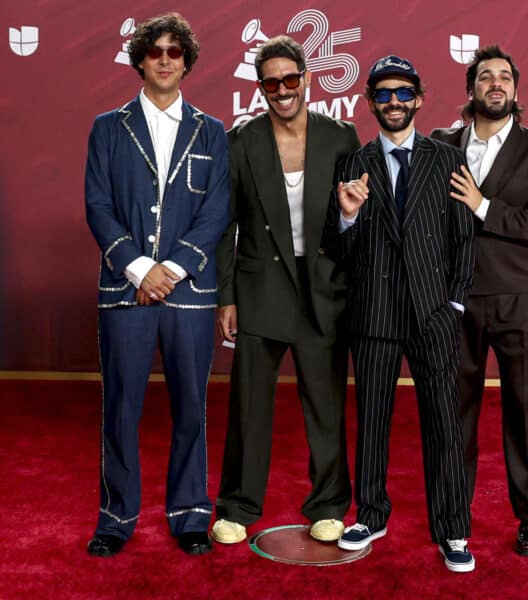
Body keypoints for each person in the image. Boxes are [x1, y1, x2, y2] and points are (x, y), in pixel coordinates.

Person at [85, 13, 229, 557]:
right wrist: (141, 269)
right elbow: (98, 205)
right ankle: (116, 517)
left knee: (192, 405)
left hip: (189, 293)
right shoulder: (107, 127)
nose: (165, 59)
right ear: (140, 60)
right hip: (126, 292)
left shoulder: (212, 131)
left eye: (175, 51)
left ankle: (191, 514)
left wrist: (174, 269)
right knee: (121, 406)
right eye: (155, 51)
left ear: (187, 62)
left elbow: (217, 210)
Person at [329, 55, 476, 572]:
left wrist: (452, 305)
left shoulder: (447, 159)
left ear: (418, 98)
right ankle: (371, 512)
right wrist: (346, 218)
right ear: (369, 102)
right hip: (373, 315)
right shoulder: (352, 163)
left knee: (443, 426)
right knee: (371, 421)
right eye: (383, 94)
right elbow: (336, 250)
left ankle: (454, 529)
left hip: (433, 315)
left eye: (402, 92)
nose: (393, 102)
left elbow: (463, 240)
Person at [211, 35, 360, 545]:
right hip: (259, 288)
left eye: (290, 79)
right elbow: (223, 226)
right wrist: (225, 296)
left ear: (307, 79)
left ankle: (329, 504)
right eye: (271, 82)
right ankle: (236, 506)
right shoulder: (240, 140)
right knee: (249, 405)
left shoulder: (341, 137)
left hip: (322, 289)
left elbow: (356, 221)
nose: (282, 89)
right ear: (261, 88)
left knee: (325, 403)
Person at [432, 45, 528, 556]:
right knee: (453, 413)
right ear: (472, 89)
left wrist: (484, 206)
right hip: (454, 302)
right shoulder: (441, 145)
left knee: (526, 411)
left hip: (517, 302)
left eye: (504, 76)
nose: (496, 83)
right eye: (485, 76)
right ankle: (454, 515)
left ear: (515, 89)